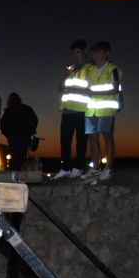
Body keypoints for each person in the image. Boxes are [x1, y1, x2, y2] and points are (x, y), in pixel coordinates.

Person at [51, 40, 93, 179]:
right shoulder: (72, 68)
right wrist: (65, 73)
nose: (75, 55)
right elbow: (60, 88)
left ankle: (78, 168)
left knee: (81, 141)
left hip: (82, 109)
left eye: (78, 52)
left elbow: (92, 87)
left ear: (84, 51)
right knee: (65, 140)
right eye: (74, 52)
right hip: (68, 110)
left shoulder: (90, 67)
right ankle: (65, 168)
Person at [82, 41, 122, 184]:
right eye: (94, 52)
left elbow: (115, 88)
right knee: (92, 137)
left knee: (107, 136)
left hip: (106, 108)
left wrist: (94, 91)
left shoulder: (113, 69)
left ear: (107, 53)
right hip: (91, 108)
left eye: (99, 52)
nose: (96, 55)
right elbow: (87, 87)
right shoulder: (91, 70)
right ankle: (96, 169)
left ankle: (108, 169)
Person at [0, 93, 39, 171]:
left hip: (14, 137)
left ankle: (14, 175)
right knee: (23, 156)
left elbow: (3, 123)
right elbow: (34, 120)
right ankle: (21, 174)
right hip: (23, 136)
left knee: (14, 156)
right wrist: (31, 131)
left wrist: (6, 133)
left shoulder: (9, 111)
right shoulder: (27, 109)